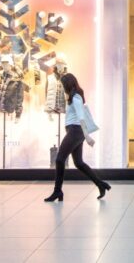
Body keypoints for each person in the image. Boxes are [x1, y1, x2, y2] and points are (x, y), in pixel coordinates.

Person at [45, 73, 111, 202]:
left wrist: (87, 137)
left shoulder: (76, 98)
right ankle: (101, 184)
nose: (63, 88)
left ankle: (57, 191)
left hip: (75, 131)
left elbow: (81, 118)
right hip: (75, 131)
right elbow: (75, 114)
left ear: (68, 85)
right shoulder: (73, 98)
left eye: (63, 85)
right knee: (79, 163)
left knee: (59, 160)